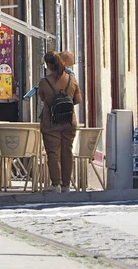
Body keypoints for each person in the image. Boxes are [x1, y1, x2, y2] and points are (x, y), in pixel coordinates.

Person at [38, 51, 82, 193]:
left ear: (49, 65)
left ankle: (56, 183)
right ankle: (66, 185)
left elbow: (43, 99)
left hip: (51, 122)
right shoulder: (72, 80)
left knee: (53, 153)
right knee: (67, 152)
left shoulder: (44, 82)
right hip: (69, 121)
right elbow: (78, 100)